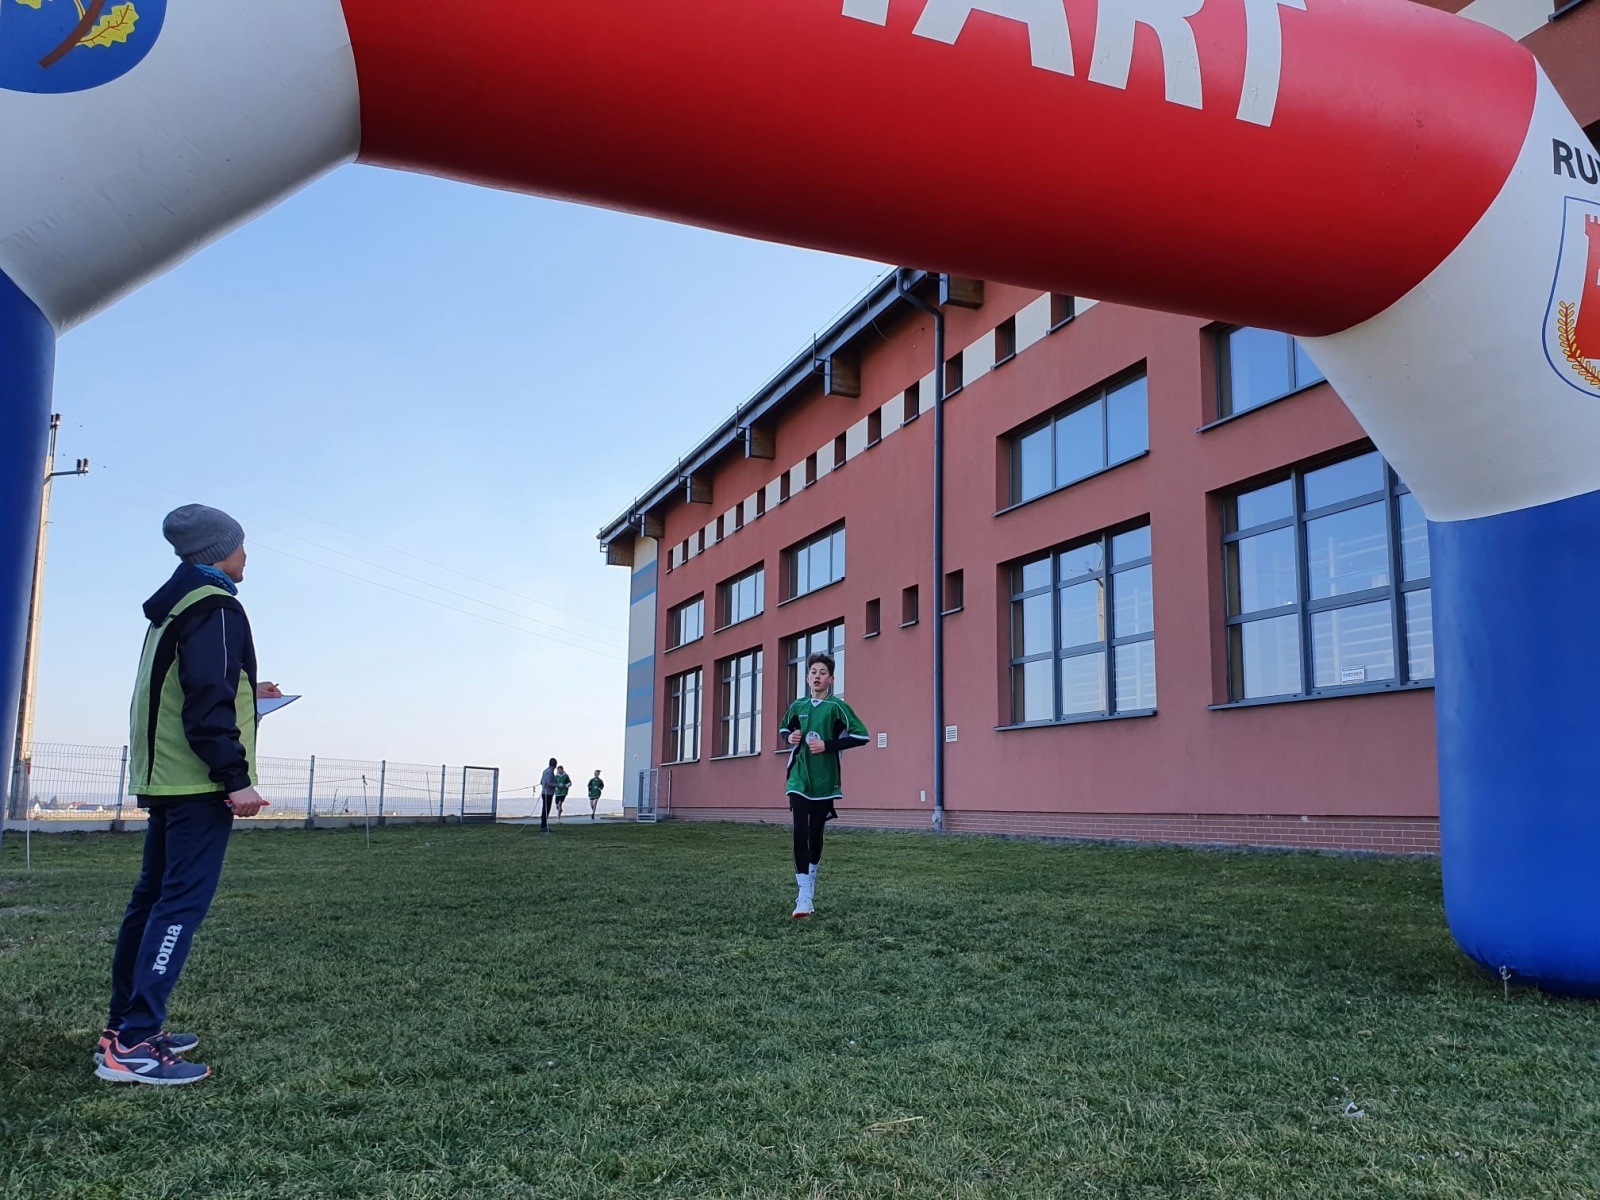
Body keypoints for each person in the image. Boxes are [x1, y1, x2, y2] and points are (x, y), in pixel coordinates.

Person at [96, 505, 280, 1087]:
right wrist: (235, 777)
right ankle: (134, 1044)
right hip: (198, 783)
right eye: (241, 545)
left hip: (166, 779)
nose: (246, 554)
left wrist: (253, 690)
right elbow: (205, 699)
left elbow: (195, 685)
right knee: (178, 908)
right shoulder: (217, 606)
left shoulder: (175, 606)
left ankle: (121, 1026)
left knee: (151, 903)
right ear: (218, 552)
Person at [779, 652, 869, 919]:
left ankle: (811, 881)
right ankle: (803, 894)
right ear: (807, 678)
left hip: (824, 782)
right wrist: (791, 736)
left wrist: (828, 745)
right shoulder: (798, 706)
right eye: (813, 672)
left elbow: (861, 736)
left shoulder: (837, 708)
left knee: (815, 832)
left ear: (831, 679)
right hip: (798, 778)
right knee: (799, 829)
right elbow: (785, 729)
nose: (817, 676)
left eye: (822, 673)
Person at [539, 758, 557, 834]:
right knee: (546, 810)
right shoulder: (550, 772)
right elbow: (549, 783)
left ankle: (544, 825)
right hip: (548, 793)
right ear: (555, 765)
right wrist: (558, 785)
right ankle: (543, 827)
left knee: (544, 809)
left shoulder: (545, 771)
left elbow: (541, 782)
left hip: (544, 792)